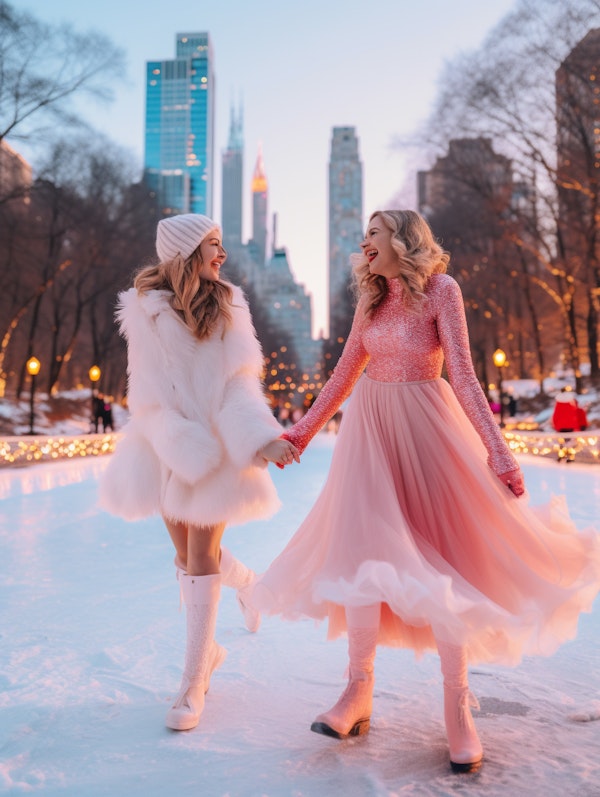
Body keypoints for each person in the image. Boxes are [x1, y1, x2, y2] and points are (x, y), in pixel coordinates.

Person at [251, 210, 600, 773]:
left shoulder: (442, 290)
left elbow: (461, 373)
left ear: (402, 241)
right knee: (362, 554)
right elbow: (343, 374)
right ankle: (356, 692)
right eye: (363, 234)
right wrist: (298, 434)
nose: (364, 242)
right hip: (370, 435)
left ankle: (457, 705)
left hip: (428, 430)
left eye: (374, 232)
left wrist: (499, 450)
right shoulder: (370, 300)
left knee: (444, 561)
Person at [99, 213, 299, 732]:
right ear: (187, 252)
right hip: (166, 447)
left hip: (215, 448)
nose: (223, 254)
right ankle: (246, 588)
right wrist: (173, 440)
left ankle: (193, 682)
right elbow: (142, 392)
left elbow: (239, 385)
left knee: (201, 557)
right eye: (214, 244)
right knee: (184, 557)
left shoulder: (229, 306)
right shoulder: (143, 310)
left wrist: (264, 439)